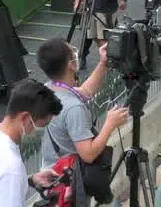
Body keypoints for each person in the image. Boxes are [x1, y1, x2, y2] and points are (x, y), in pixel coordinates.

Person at [37, 40, 130, 206]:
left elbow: (85, 91)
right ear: (70, 65)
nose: (75, 53)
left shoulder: (50, 89)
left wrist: (103, 63)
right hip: (69, 187)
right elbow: (88, 154)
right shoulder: (74, 109)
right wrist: (110, 124)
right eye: (71, 54)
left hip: (51, 177)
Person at [0, 79, 63, 207]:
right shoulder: (10, 166)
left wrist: (30, 180)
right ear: (25, 118)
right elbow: (7, 175)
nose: (42, 131)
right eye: (43, 125)